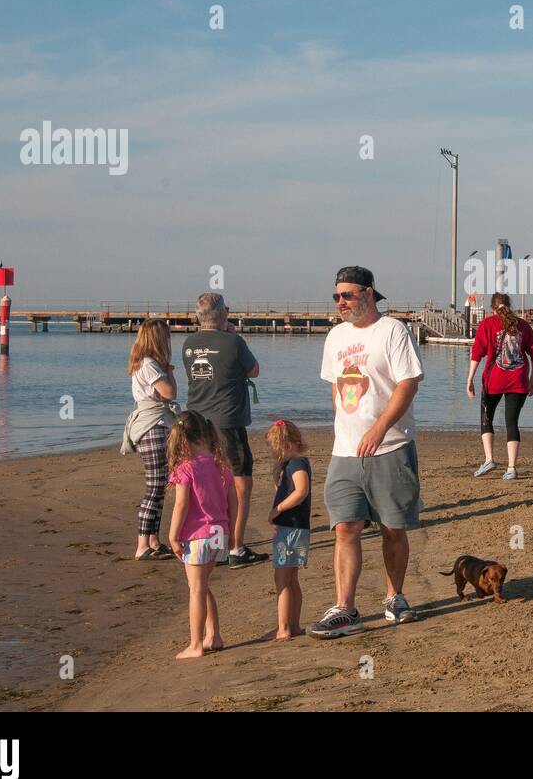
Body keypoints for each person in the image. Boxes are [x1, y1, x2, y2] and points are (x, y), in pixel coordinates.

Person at [307, 266, 425, 639]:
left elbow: (409, 383)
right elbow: (336, 386)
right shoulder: (335, 337)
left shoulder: (392, 330)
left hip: (391, 446)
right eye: (337, 296)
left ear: (369, 294)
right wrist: (346, 429)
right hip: (345, 451)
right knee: (345, 528)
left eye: (348, 295)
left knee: (392, 528)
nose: (341, 303)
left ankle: (395, 598)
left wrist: (378, 428)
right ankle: (345, 609)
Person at [181, 292, 265, 568]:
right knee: (240, 482)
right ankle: (236, 547)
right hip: (227, 421)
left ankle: (211, 542)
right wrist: (231, 335)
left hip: (196, 422)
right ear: (221, 314)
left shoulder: (189, 343)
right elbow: (254, 370)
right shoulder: (233, 342)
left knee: (208, 484)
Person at [166, 411, 237, 659]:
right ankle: (214, 635)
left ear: (182, 439)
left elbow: (181, 505)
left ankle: (196, 644)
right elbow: (234, 501)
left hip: (198, 535)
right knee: (202, 585)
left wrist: (173, 535)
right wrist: (234, 532)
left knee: (196, 588)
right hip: (220, 533)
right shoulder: (221, 465)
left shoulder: (186, 468)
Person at [122, 319, 180, 561]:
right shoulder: (149, 364)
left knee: (160, 485)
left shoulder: (149, 363)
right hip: (152, 425)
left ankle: (153, 540)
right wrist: (169, 371)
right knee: (155, 486)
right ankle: (142, 544)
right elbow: (170, 392)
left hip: (156, 422)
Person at [467, 292, 533, 480]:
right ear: (509, 305)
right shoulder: (523, 325)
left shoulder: (487, 325)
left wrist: (470, 379)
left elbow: (477, 354)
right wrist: (532, 380)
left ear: (492, 308)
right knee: (512, 423)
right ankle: (511, 468)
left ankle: (489, 459)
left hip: (493, 381)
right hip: (518, 380)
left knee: (486, 418)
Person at [265, 419, 312, 640]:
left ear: (288, 444)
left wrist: (278, 509)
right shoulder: (290, 464)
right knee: (291, 579)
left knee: (283, 580)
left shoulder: (297, 464)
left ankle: (283, 627)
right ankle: (293, 625)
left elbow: (301, 490)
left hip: (291, 528)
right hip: (293, 527)